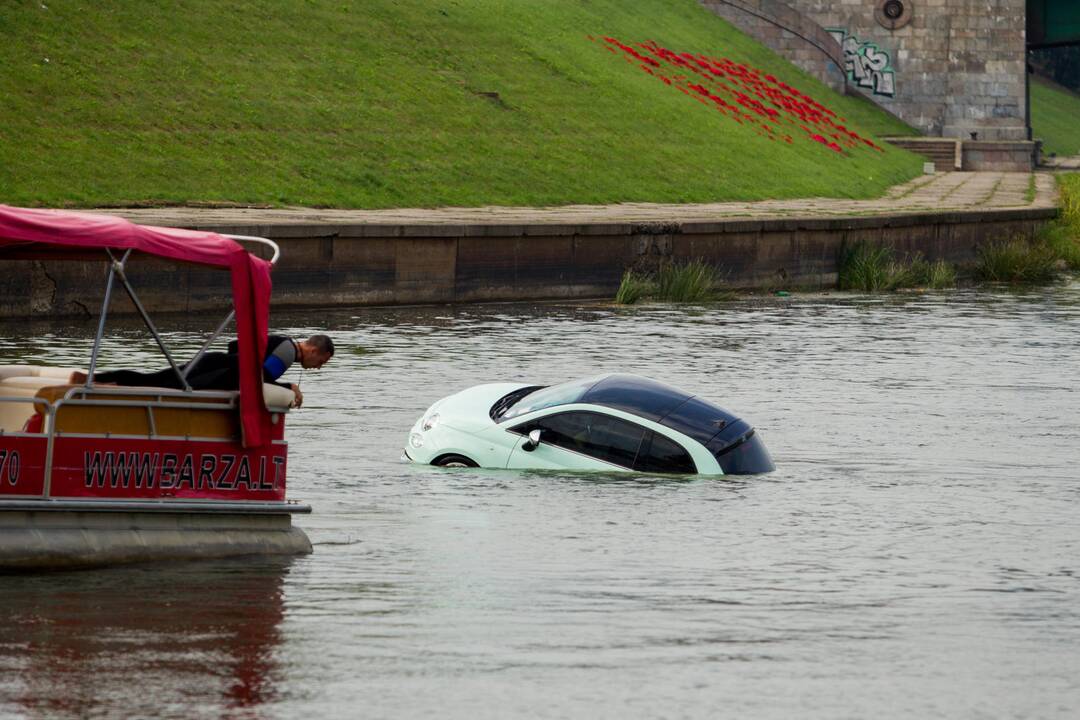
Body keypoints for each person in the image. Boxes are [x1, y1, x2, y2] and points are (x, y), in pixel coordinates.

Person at [70, 334, 334, 408]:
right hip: (217, 372)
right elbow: (261, 377)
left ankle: (94, 379)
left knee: (158, 378)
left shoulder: (280, 340)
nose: (319, 367)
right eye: (322, 361)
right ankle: (98, 385)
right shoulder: (287, 352)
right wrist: (289, 388)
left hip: (215, 361)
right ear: (313, 350)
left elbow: (235, 345)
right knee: (166, 386)